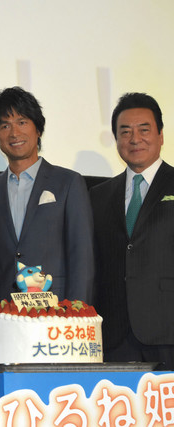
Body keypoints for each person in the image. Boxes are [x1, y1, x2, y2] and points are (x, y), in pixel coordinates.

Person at [0, 86, 94, 302]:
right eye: (5, 125)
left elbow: (82, 255)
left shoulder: (68, 183)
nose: (14, 133)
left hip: (56, 308)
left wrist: (76, 310)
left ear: (38, 128)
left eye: (22, 122)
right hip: (1, 309)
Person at [91, 92, 174, 370]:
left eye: (144, 130)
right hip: (115, 334)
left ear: (161, 135)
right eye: (125, 132)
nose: (134, 139)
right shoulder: (98, 195)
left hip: (168, 330)